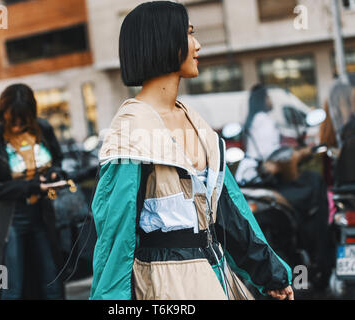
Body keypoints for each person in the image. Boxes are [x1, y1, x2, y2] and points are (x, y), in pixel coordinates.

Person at [89, 1, 293, 300]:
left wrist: (270, 274)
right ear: (163, 41)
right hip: (165, 287)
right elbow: (116, 238)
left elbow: (227, 210)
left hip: (216, 276)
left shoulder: (196, 123)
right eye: (188, 34)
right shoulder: (131, 133)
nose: (198, 45)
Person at [236, 84, 332, 289]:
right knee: (313, 183)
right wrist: (298, 153)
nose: (271, 101)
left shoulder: (252, 121)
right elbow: (273, 157)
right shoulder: (265, 120)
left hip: (249, 178)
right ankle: (312, 250)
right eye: (268, 97)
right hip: (264, 177)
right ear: (263, 100)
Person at [0, 83, 66, 300]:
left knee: (51, 281)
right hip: (7, 224)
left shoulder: (43, 130)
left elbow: (58, 161)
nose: (17, 125)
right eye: (12, 118)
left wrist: (54, 174)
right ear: (2, 113)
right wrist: (32, 186)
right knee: (6, 284)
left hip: (42, 217)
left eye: (23, 119)